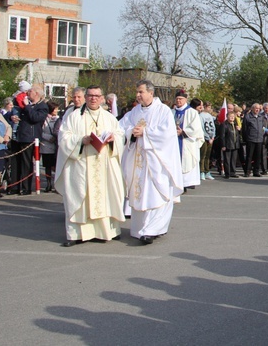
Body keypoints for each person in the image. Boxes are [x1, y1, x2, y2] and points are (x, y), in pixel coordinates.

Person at [56, 86, 125, 246]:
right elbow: (63, 137)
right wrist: (81, 140)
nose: (93, 99)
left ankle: (106, 232)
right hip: (81, 165)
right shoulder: (74, 117)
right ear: (85, 97)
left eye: (97, 96)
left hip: (103, 166)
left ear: (102, 98)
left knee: (105, 197)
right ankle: (76, 235)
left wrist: (113, 139)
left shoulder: (109, 118)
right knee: (80, 197)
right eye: (90, 96)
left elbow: (120, 136)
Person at [120, 80, 184, 245]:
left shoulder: (162, 111)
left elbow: (168, 134)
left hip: (157, 162)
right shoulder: (135, 112)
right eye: (137, 92)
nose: (138, 95)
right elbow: (121, 127)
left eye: (141, 92)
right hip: (138, 162)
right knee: (140, 193)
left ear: (151, 93)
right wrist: (131, 133)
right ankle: (140, 228)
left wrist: (145, 132)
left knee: (157, 193)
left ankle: (153, 229)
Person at [15, 84, 49, 195]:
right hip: (21, 136)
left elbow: (36, 118)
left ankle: (26, 187)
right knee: (18, 163)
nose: (27, 94)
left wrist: (27, 107)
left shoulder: (42, 106)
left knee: (27, 163)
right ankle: (15, 186)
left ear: (36, 94)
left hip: (31, 138)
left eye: (30, 92)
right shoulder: (28, 105)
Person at [173, 92, 203, 190]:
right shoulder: (171, 112)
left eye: (181, 99)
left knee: (186, 161)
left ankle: (185, 184)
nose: (178, 101)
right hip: (173, 141)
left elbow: (196, 129)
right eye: (177, 99)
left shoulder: (192, 112)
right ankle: (175, 183)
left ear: (186, 100)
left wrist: (183, 132)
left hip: (186, 142)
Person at [39, 101, 60, 192]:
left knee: (56, 166)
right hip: (46, 145)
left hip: (56, 145)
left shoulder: (59, 119)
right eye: (55, 108)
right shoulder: (44, 119)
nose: (57, 110)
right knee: (47, 166)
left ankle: (57, 184)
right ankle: (48, 184)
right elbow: (40, 131)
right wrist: (48, 137)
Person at [220, 110, 241, 179]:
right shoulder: (224, 124)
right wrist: (223, 145)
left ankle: (233, 172)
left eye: (233, 116)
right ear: (227, 117)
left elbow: (237, 135)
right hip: (228, 144)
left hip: (235, 144)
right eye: (230, 116)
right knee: (227, 160)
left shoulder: (235, 124)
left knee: (233, 160)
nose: (232, 118)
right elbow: (222, 136)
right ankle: (227, 173)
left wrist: (239, 130)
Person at [199, 100, 215, 180]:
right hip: (205, 138)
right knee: (203, 155)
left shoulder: (210, 116)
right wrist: (207, 138)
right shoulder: (201, 115)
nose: (209, 108)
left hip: (210, 138)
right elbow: (202, 128)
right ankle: (201, 171)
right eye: (208, 107)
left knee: (208, 156)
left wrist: (213, 136)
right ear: (205, 106)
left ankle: (207, 171)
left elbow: (213, 127)